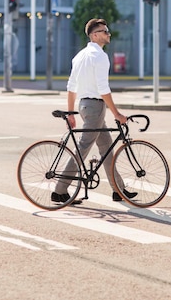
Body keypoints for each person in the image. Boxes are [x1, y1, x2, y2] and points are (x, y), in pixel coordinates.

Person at [52, 18, 137, 204]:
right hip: (95, 106)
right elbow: (103, 89)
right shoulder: (99, 56)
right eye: (105, 31)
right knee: (84, 147)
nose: (108, 34)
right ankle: (60, 190)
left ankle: (118, 190)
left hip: (84, 105)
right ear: (95, 35)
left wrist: (72, 111)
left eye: (108, 31)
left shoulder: (79, 56)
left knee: (106, 147)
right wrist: (117, 113)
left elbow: (71, 86)